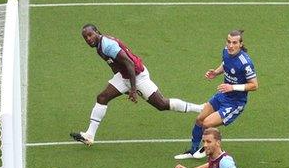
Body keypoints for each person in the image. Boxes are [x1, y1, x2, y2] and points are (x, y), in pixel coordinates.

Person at [70, 24, 202, 146]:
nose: (88, 39)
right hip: (124, 76)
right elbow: (115, 65)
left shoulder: (107, 45)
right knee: (102, 98)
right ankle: (89, 135)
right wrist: (122, 84)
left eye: (90, 35)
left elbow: (129, 64)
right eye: (85, 37)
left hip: (137, 76)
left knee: (161, 104)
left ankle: (200, 109)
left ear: (97, 32)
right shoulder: (99, 46)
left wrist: (133, 89)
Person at [174, 30, 258, 160]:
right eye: (229, 42)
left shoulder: (245, 63)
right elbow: (225, 64)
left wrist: (232, 87)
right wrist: (216, 72)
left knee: (207, 123)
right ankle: (193, 150)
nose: (231, 45)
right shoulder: (226, 51)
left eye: (234, 43)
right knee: (199, 119)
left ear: (241, 44)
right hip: (222, 95)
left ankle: (213, 152)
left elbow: (254, 85)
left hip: (235, 103)